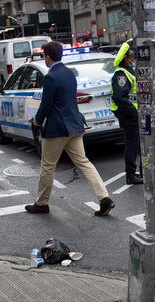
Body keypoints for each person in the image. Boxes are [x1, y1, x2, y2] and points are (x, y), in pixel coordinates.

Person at [27, 41, 115, 216]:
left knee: (47, 166)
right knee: (84, 163)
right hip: (75, 125)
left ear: (48, 57)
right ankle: (104, 198)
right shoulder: (69, 73)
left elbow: (46, 104)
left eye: (44, 56)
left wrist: (37, 120)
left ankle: (42, 203)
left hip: (57, 129)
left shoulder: (50, 77)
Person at [111, 42, 143, 185]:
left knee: (137, 144)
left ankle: (139, 172)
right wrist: (134, 113)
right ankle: (130, 175)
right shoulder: (121, 75)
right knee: (132, 144)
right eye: (131, 56)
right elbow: (120, 98)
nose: (133, 58)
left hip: (132, 114)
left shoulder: (128, 71)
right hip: (129, 115)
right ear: (126, 58)